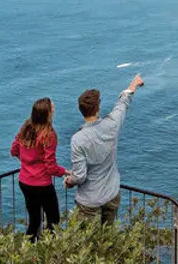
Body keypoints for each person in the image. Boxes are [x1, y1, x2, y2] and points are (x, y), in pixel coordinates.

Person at [66, 73, 143, 224]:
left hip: (89, 200)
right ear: (98, 108)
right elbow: (122, 105)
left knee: (88, 244)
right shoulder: (112, 125)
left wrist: (70, 181)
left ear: (80, 110)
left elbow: (80, 176)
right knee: (107, 239)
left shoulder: (77, 139)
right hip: (111, 194)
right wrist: (133, 85)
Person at [10, 97, 69, 239]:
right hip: (42, 184)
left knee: (34, 221)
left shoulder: (26, 127)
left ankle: (29, 253)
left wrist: (28, 163)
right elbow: (50, 167)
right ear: (47, 114)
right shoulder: (49, 135)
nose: (54, 109)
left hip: (25, 182)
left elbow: (14, 150)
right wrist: (65, 172)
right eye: (52, 108)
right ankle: (50, 253)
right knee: (53, 221)